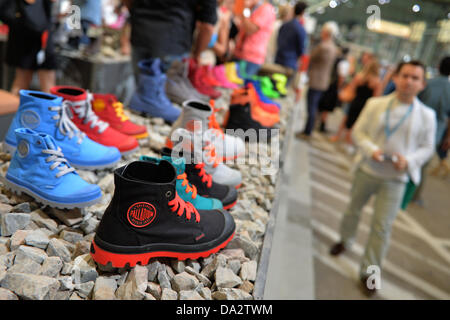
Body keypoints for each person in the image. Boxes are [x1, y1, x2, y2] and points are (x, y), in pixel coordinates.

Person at [329, 60, 437, 296]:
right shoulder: (375, 104)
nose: (408, 81)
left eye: (415, 78)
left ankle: (370, 273)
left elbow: (428, 147)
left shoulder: (427, 116)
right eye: (405, 76)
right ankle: (345, 240)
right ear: (396, 78)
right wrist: (372, 150)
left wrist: (408, 161)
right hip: (367, 170)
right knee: (353, 209)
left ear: (422, 84)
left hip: (396, 179)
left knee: (382, 228)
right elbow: (358, 132)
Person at [122, 0, 218, 78]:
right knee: (167, 96)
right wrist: (197, 55)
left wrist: (138, 14)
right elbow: (207, 26)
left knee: (142, 92)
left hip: (141, 35)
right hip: (173, 44)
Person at [412, 56, 450, 204]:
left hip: (417, 126)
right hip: (436, 133)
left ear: (439, 66)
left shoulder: (427, 83)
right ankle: (414, 196)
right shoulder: (448, 89)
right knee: (423, 164)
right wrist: (447, 138)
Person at [295, 21, 339, 140]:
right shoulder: (333, 47)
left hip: (316, 80)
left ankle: (308, 131)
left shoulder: (324, 46)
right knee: (313, 106)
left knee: (311, 107)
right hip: (322, 81)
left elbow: (311, 57)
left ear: (326, 33)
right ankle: (308, 130)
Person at [5, 0, 57, 95]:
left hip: (39, 33)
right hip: (28, 32)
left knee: (44, 78)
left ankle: (50, 108)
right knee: (24, 79)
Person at [342, 59, 382, 147]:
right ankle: (350, 143)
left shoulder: (359, 77)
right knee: (358, 124)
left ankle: (344, 138)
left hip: (355, 101)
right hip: (366, 106)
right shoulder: (377, 81)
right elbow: (376, 97)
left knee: (349, 120)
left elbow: (352, 89)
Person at [233, 0, 276, 77]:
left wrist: (245, 9)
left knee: (239, 86)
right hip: (242, 54)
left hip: (250, 57)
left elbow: (250, 29)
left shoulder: (266, 9)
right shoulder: (257, 8)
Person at [317, 47, 350, 133]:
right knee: (327, 106)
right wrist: (339, 88)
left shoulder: (336, 59)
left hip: (328, 84)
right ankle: (322, 125)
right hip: (333, 86)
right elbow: (341, 77)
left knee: (324, 105)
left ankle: (320, 123)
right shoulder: (343, 62)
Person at [274, 1, 307, 85]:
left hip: (278, 59)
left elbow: (278, 40)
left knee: (272, 85)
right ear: (303, 13)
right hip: (289, 64)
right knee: (281, 89)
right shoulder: (300, 29)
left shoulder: (284, 25)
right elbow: (301, 49)